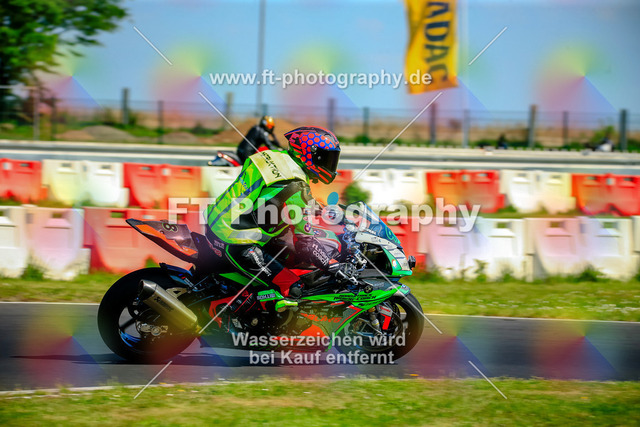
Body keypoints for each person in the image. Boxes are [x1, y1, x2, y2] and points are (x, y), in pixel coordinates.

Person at [206, 126, 344, 312]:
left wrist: (317, 207)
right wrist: (333, 266)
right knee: (293, 287)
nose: (330, 164)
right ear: (310, 154)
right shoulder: (297, 184)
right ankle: (245, 322)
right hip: (236, 242)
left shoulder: (274, 158)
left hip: (217, 222)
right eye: (326, 158)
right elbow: (307, 245)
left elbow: (272, 194)